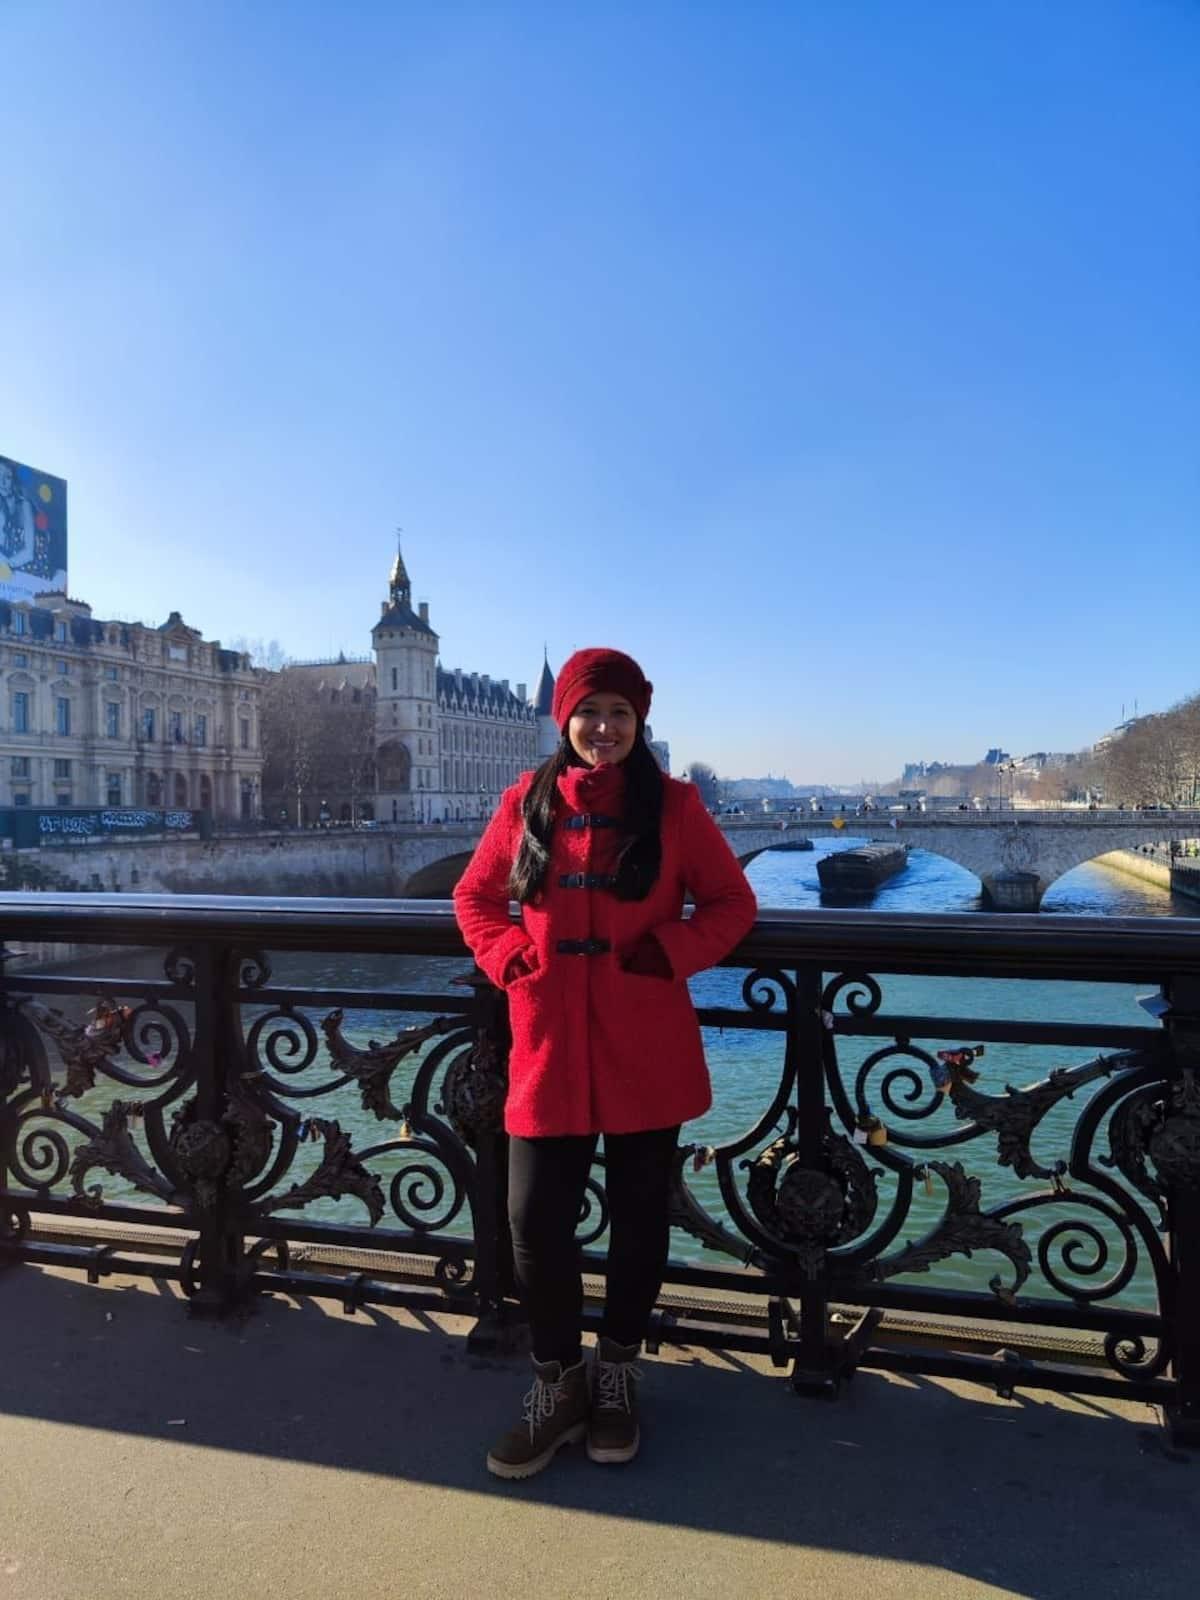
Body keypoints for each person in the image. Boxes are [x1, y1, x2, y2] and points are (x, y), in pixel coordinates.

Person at [453, 647, 756, 1480]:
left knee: (638, 1218)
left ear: (639, 721)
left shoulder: (678, 807)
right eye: (590, 712)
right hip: (548, 1040)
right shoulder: (526, 801)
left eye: (620, 713)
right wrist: (511, 958)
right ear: (566, 719)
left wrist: (671, 952)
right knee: (533, 1222)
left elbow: (733, 902)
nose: (604, 728)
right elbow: (476, 898)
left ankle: (616, 1373)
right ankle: (559, 1383)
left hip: (643, 1040)